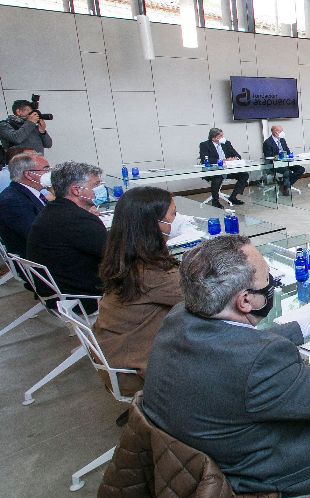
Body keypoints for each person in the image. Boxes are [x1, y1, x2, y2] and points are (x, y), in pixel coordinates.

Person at [142, 236, 310, 498]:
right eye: (268, 281)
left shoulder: (181, 315)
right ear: (245, 301)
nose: (272, 284)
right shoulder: (259, 361)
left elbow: (243, 340)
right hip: (254, 477)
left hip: (194, 456)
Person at [93, 187, 183, 396]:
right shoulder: (153, 274)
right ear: (155, 224)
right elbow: (207, 298)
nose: (177, 220)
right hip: (135, 373)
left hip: (117, 355)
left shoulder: (124, 255)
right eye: (174, 214)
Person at [26, 162, 107, 310]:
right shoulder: (77, 220)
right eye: (95, 185)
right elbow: (118, 254)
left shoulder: (54, 210)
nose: (100, 189)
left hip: (61, 294)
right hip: (84, 299)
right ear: (76, 190)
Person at [0, 153, 50, 257]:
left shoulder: (31, 192)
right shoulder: (13, 201)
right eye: (46, 169)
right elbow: (38, 236)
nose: (49, 173)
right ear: (28, 174)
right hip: (40, 260)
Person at [198, 128, 249, 208]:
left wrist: (234, 158)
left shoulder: (226, 143)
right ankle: (215, 201)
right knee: (218, 177)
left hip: (227, 170)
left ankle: (233, 197)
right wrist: (222, 160)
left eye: (222, 135)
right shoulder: (204, 145)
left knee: (244, 175)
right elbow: (205, 159)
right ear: (214, 138)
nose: (223, 137)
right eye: (220, 136)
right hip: (213, 171)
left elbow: (238, 155)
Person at [262, 126, 305, 196]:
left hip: (286, 162)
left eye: (282, 131)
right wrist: (279, 157)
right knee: (286, 171)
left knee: (301, 169)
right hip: (274, 164)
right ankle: (285, 186)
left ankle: (283, 185)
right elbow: (268, 157)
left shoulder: (282, 140)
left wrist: (291, 156)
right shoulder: (267, 142)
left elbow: (288, 152)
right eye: (280, 131)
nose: (282, 133)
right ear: (274, 131)